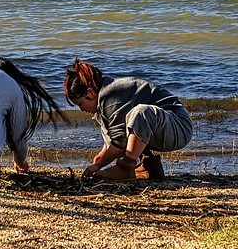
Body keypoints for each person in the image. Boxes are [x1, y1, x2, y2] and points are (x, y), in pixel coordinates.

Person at [63, 58, 192, 181]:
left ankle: (126, 168)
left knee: (141, 113)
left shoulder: (111, 97)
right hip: (164, 126)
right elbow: (114, 137)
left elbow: (120, 143)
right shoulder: (104, 101)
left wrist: (99, 165)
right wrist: (99, 160)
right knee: (125, 123)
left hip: (180, 126)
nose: (81, 110)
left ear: (90, 93)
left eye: (80, 103)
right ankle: (149, 166)